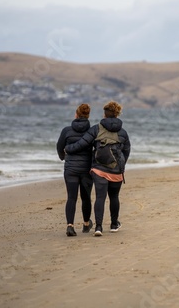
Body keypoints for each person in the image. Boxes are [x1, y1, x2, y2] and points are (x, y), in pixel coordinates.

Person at [65, 101, 131, 236]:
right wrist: (120, 165)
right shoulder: (123, 132)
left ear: (104, 114)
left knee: (100, 197)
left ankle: (98, 228)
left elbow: (82, 143)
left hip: (99, 169)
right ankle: (113, 224)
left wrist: (68, 149)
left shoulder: (96, 128)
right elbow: (126, 151)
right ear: (117, 114)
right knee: (114, 197)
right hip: (116, 170)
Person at [56, 103, 94, 237]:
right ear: (88, 115)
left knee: (71, 198)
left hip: (70, 169)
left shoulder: (66, 130)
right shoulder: (92, 132)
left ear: (76, 115)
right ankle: (85, 224)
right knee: (86, 198)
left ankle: (70, 226)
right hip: (86, 169)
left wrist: (63, 158)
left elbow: (59, 147)